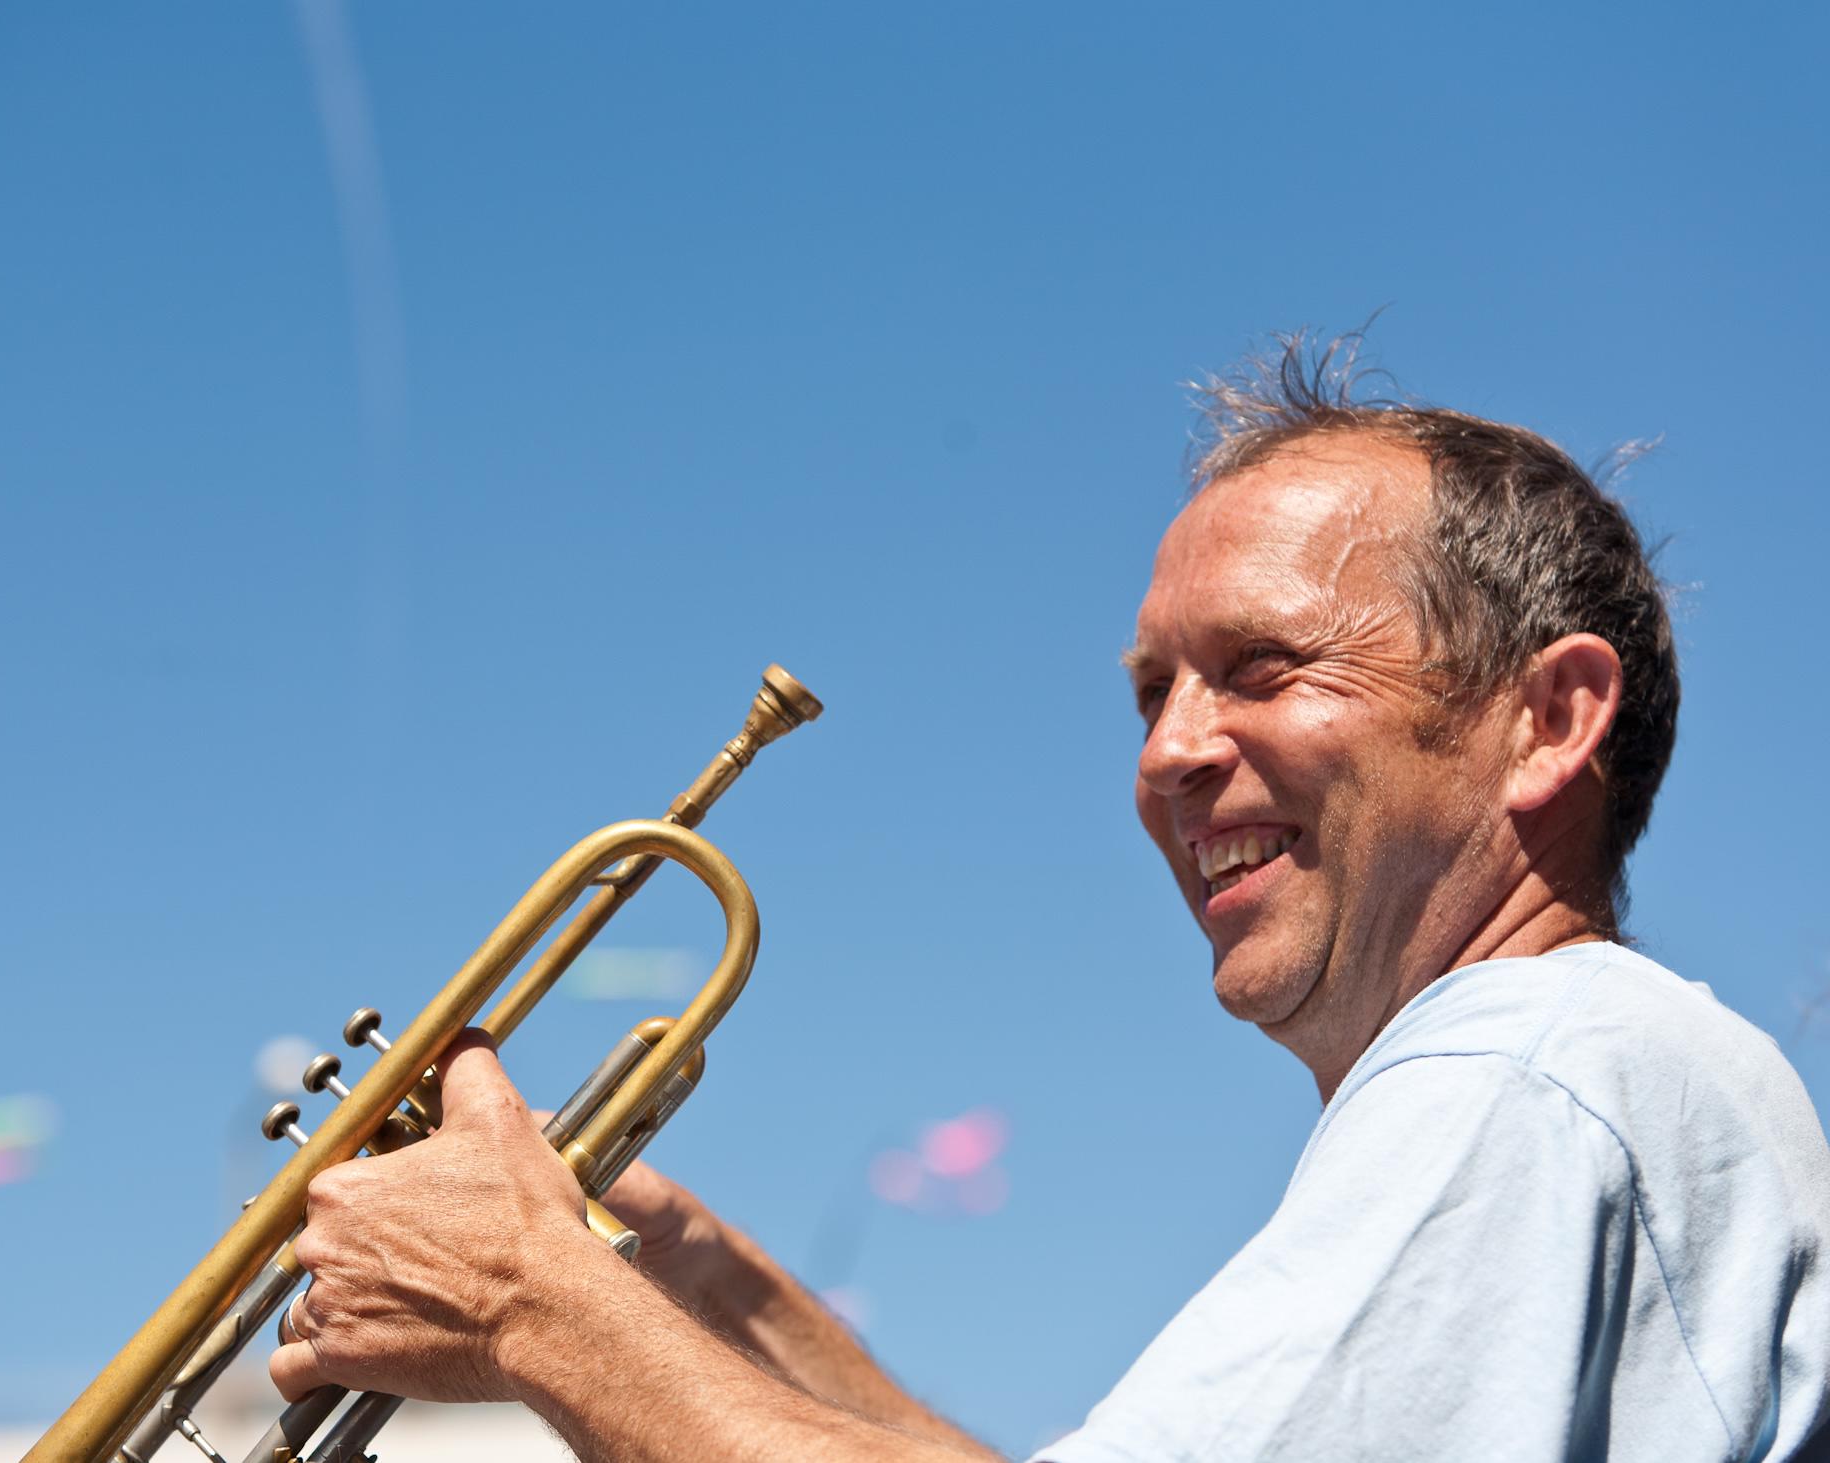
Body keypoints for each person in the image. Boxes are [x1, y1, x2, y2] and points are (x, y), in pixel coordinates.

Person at [267, 337, 1830, 1461]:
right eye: (1153, 692)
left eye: (1264, 670)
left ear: (1547, 723)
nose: (1168, 755)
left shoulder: (1524, 1072)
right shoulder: (1598, 1075)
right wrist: (695, 1290)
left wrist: (533, 1303)